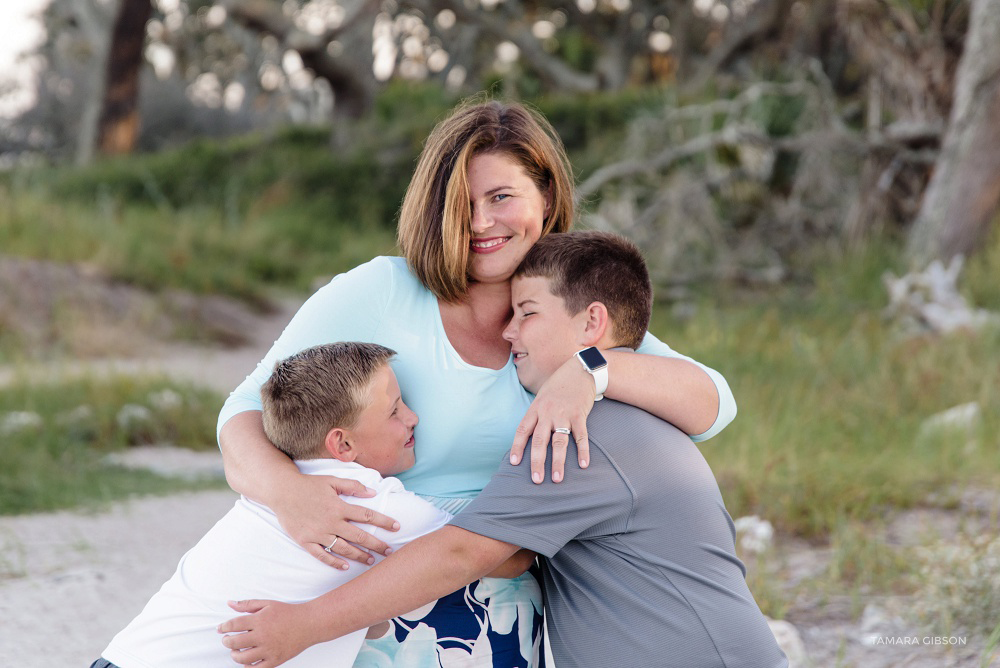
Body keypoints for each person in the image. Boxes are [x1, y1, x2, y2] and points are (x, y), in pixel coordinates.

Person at [217, 98, 739, 664]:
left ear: (546, 197)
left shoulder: (569, 310)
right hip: (358, 610)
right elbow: (243, 413)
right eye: (461, 204)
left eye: (501, 197)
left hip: (505, 622)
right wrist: (288, 493)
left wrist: (592, 369)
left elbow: (713, 405)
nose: (482, 223)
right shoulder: (378, 292)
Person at [91, 342, 535, 668]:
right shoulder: (369, 503)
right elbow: (510, 556)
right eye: (395, 410)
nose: (413, 418)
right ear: (342, 444)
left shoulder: (276, 489)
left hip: (128, 654)